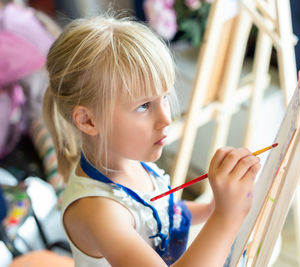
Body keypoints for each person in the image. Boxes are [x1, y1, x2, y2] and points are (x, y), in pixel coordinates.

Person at [43, 14, 261, 267]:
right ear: (88, 121)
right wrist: (226, 217)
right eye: (144, 106)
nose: (166, 119)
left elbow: (162, 213)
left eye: (165, 97)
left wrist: (212, 208)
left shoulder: (127, 159)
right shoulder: (100, 211)